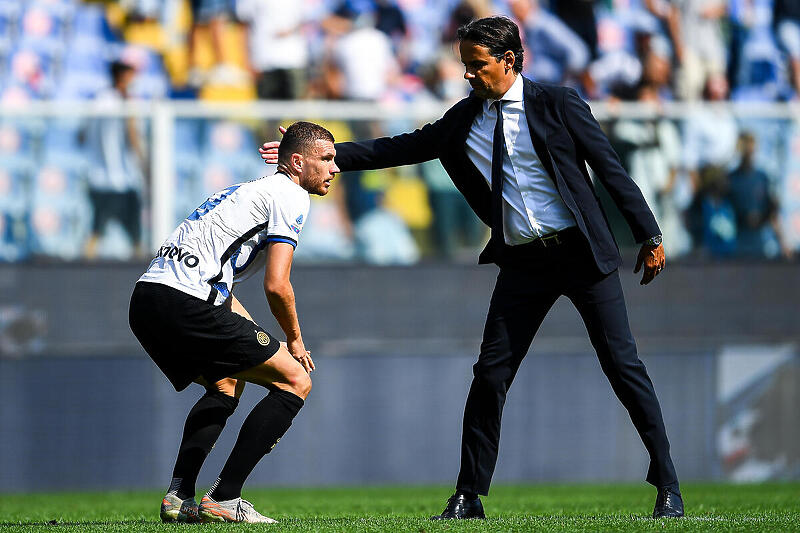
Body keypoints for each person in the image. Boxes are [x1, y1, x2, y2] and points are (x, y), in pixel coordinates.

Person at [261, 15, 683, 520]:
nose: (467, 74)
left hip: (581, 255)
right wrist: (321, 155)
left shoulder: (558, 103)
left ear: (508, 61)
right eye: (464, 64)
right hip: (524, 263)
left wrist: (649, 233)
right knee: (490, 374)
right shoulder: (465, 118)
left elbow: (609, 167)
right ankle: (468, 496)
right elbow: (400, 148)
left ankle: (667, 484)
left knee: (622, 366)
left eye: (475, 64)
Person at [129, 122, 339, 523]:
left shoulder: (242, 191)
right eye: (326, 159)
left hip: (147, 298)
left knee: (226, 382)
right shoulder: (291, 195)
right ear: (297, 162)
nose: (334, 168)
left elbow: (217, 282)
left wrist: (260, 334)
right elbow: (277, 285)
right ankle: (225, 496)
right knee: (295, 380)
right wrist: (294, 341)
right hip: (188, 300)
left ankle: (179, 496)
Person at [84, 60, 147, 260]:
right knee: (102, 230)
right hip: (113, 178)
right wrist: (144, 163)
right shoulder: (119, 101)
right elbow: (133, 136)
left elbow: (82, 134)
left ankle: (86, 264)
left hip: (108, 177)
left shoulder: (99, 99)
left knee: (108, 230)